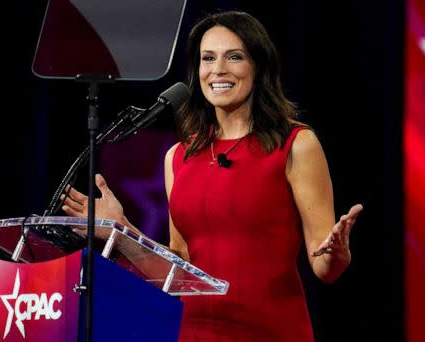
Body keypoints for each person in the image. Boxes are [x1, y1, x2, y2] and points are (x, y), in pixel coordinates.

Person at [62, 10, 363, 341]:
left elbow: (324, 267)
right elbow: (180, 265)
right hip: (198, 331)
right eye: (208, 58)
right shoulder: (178, 157)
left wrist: (337, 254)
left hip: (270, 330)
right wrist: (122, 231)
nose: (218, 69)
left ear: (258, 66)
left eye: (234, 57)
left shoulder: (296, 144)